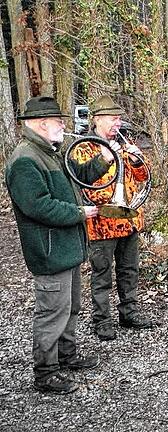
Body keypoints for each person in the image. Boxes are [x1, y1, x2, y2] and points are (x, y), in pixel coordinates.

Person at [5, 96, 117, 393]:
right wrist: (80, 213)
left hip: (66, 249)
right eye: (58, 121)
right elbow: (39, 207)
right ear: (42, 124)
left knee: (70, 307)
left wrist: (105, 158)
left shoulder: (51, 152)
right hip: (49, 251)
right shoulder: (25, 159)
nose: (63, 126)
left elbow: (78, 177)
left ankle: (67, 356)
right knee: (52, 312)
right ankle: (46, 372)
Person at [69, 95, 155, 341]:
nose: (118, 123)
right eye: (113, 119)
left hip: (129, 219)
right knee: (102, 273)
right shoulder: (84, 147)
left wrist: (137, 159)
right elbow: (86, 182)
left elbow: (142, 177)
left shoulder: (122, 142)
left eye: (119, 118)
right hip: (102, 224)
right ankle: (102, 320)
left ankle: (129, 312)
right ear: (97, 120)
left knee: (130, 271)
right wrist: (106, 159)